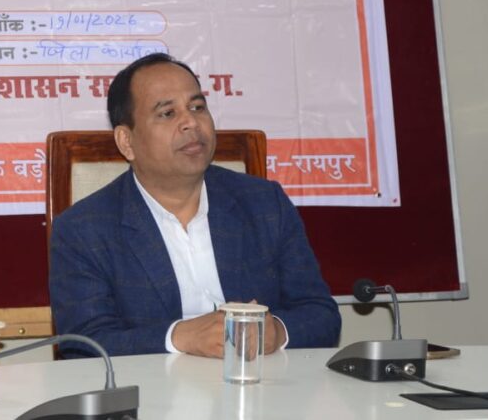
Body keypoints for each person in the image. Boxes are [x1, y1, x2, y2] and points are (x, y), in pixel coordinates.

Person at [49, 53, 341, 358]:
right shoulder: (83, 229)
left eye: (197, 107)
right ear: (126, 141)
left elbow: (321, 315)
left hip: (258, 381)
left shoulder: (264, 203)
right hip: (152, 387)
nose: (190, 122)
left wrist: (277, 331)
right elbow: (84, 345)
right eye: (167, 113)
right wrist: (179, 337)